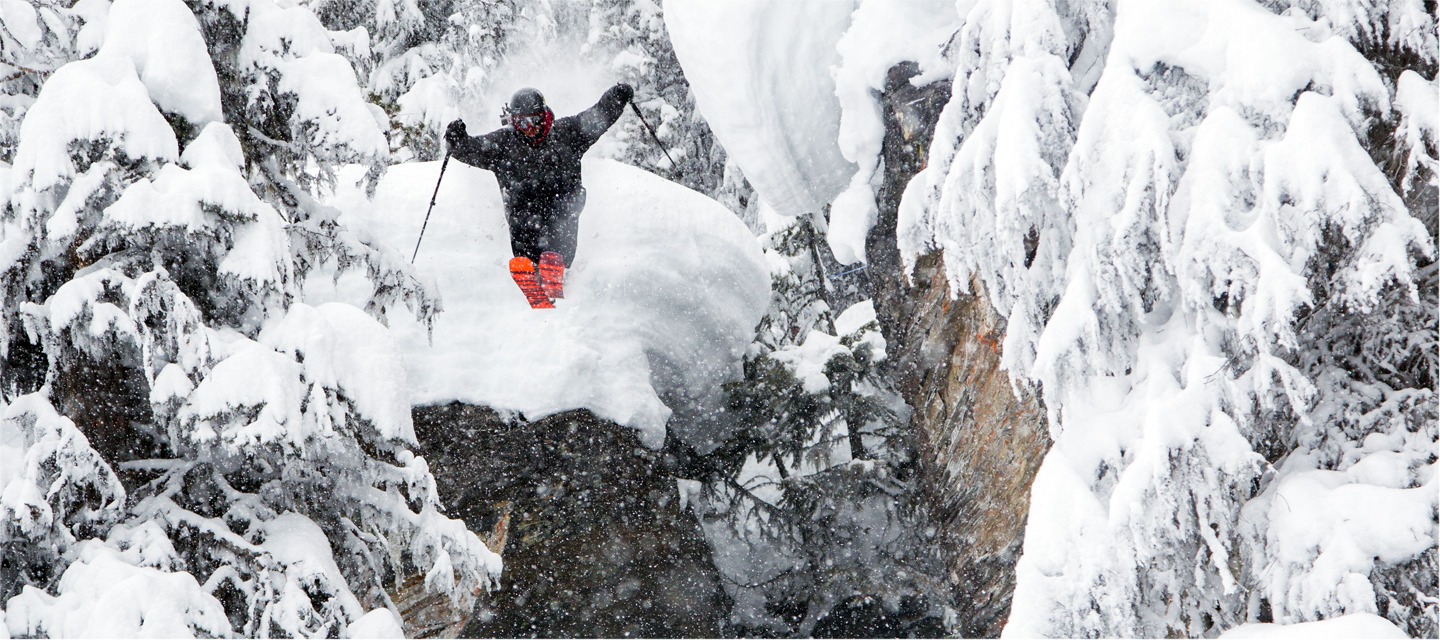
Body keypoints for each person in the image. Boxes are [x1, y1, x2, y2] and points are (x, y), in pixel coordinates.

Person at [444, 83, 635, 309]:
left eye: (534, 120)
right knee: (523, 218)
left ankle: (555, 269)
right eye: (522, 122)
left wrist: (617, 97)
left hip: (562, 207)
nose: (530, 128)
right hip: (523, 214)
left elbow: (597, 117)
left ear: (544, 115)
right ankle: (531, 271)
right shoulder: (503, 144)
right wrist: (457, 140)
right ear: (514, 121)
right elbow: (472, 149)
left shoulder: (566, 134)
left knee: (562, 218)